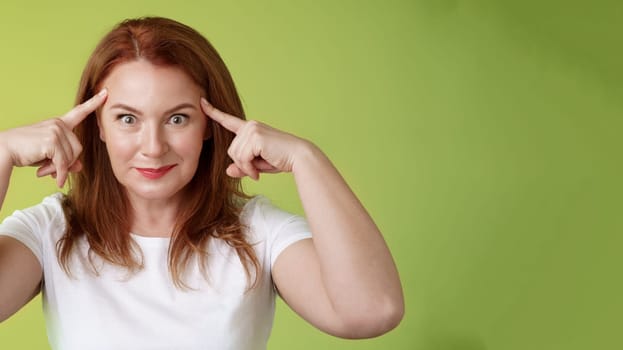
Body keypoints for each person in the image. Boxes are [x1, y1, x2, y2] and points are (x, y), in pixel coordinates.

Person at [0, 17, 404, 349]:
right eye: (127, 119)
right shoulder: (51, 231)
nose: (153, 148)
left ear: (209, 126)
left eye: (178, 118)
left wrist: (307, 158)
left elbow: (372, 311)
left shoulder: (258, 233)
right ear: (98, 127)